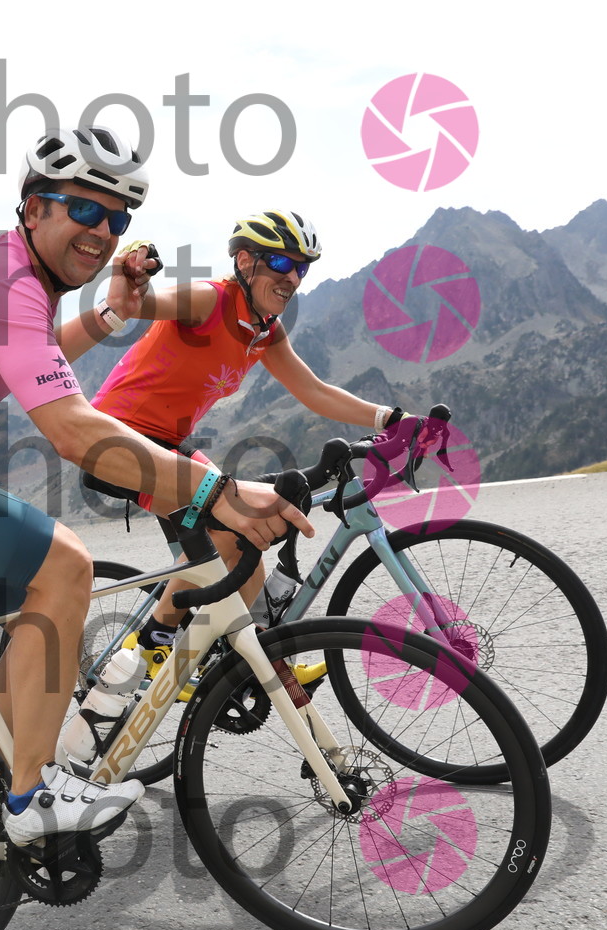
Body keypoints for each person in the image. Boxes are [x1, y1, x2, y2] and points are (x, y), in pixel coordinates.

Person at [0, 131, 314, 845]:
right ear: (34, 209)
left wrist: (110, 314)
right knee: (66, 564)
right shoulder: (5, 283)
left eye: (118, 219)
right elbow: (72, 428)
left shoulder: (17, 281)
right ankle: (29, 796)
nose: (103, 231)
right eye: (84, 209)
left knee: (39, 621)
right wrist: (214, 489)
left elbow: (32, 356)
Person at [86, 210, 406, 673]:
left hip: (169, 443)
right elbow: (142, 304)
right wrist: (133, 274)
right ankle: (149, 647)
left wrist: (391, 418)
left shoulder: (264, 330)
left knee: (247, 541)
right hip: (117, 441)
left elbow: (314, 391)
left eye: (301, 268)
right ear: (244, 261)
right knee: (232, 528)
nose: (292, 277)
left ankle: (252, 663)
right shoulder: (208, 301)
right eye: (280, 263)